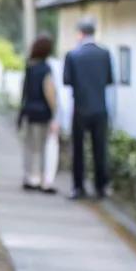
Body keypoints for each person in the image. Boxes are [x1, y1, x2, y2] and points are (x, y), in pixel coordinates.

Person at [62, 17, 115, 200]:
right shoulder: (105, 54)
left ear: (80, 34)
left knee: (78, 149)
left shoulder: (72, 55)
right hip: (100, 108)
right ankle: (101, 187)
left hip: (80, 108)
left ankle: (78, 187)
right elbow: (109, 80)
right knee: (100, 149)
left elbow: (67, 80)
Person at [18, 34, 59, 192]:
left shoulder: (29, 67)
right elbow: (49, 92)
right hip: (43, 113)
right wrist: (55, 112)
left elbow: (24, 92)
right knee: (42, 148)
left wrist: (21, 114)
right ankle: (43, 180)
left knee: (29, 146)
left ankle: (29, 177)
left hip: (29, 112)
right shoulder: (46, 69)